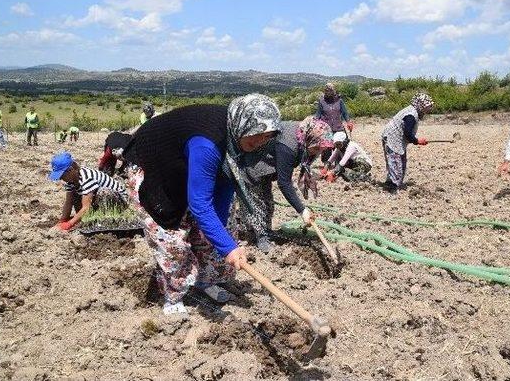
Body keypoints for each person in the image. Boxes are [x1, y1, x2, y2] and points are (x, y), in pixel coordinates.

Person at [124, 94, 281, 315]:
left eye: (267, 136)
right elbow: (199, 203)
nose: (259, 141)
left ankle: (202, 282)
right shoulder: (208, 145)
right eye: (256, 135)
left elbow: (225, 183)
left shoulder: (238, 141)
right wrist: (229, 247)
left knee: (209, 233)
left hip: (186, 165)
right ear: (243, 125)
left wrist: (218, 234)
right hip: (156, 168)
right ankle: (173, 296)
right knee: (172, 239)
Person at [236, 116, 333, 252]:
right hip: (252, 167)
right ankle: (260, 236)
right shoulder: (288, 145)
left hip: (266, 168)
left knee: (268, 203)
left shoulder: (304, 133)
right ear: (311, 139)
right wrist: (302, 210)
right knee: (256, 204)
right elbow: (284, 183)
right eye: (317, 149)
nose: (318, 153)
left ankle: (266, 231)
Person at [48, 152, 128, 232]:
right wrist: (62, 221)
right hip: (98, 201)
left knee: (103, 192)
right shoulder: (71, 181)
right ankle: (88, 219)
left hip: (120, 203)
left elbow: (86, 207)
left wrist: (69, 224)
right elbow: (68, 202)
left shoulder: (87, 177)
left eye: (62, 175)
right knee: (74, 194)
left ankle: (107, 220)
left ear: (71, 170)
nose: (61, 178)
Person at [381, 92, 434, 194]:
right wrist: (417, 141)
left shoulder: (414, 111)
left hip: (396, 139)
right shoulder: (411, 115)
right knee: (396, 164)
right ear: (421, 105)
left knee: (400, 162)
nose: (429, 109)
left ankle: (393, 184)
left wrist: (416, 141)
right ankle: (391, 189)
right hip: (391, 138)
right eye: (427, 106)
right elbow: (407, 133)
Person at [314, 83, 353, 161]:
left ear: (334, 91)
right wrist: (314, 124)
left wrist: (348, 122)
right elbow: (318, 115)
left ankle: (339, 165)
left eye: (330, 90)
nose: (328, 92)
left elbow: (345, 112)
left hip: (339, 128)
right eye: (327, 90)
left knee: (340, 147)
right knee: (327, 148)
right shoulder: (322, 101)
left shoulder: (339, 100)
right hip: (326, 129)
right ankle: (326, 166)